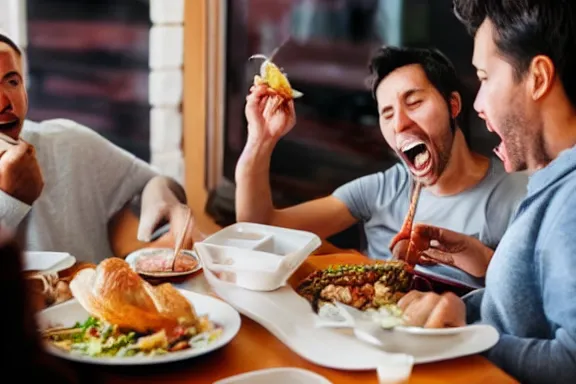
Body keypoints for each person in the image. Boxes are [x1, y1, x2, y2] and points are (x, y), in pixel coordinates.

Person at [235, 45, 528, 288]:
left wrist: (486, 263)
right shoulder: (386, 188)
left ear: (453, 105)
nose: (399, 124)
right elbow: (259, 229)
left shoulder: (519, 196)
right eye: (387, 114)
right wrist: (260, 140)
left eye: (414, 102)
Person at [395, 1, 576, 383]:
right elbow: (522, 313)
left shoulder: (572, 201)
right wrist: (461, 302)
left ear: (538, 78)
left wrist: (462, 337)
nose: (476, 104)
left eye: (484, 77)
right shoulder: (551, 182)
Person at [0, 31, 197, 264]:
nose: (4, 103)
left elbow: (154, 184)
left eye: (12, 81)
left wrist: (163, 198)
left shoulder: (68, 143)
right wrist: (11, 203)